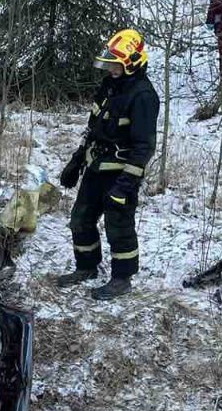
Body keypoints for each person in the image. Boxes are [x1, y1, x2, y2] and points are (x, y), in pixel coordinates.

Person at [56, 29, 160, 301]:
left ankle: (122, 278)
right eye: (110, 63)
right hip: (95, 167)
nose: (111, 68)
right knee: (80, 219)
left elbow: (144, 148)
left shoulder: (143, 96)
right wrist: (76, 162)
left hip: (120, 173)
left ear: (132, 62)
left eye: (116, 64)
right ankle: (86, 267)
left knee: (119, 227)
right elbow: (93, 129)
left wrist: (125, 186)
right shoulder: (109, 86)